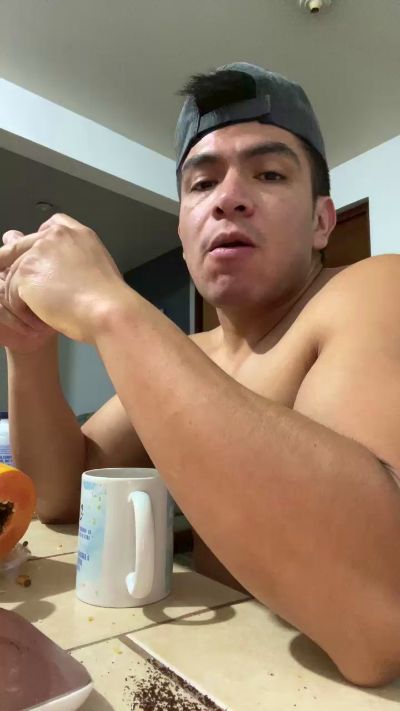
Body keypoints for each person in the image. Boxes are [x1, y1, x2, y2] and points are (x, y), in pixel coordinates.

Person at [1, 62, 400, 686]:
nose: (228, 197)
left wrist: (112, 307)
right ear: (183, 232)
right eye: (202, 183)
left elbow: (375, 613)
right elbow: (60, 497)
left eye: (269, 174)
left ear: (323, 222)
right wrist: (28, 349)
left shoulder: (373, 290)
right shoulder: (194, 353)